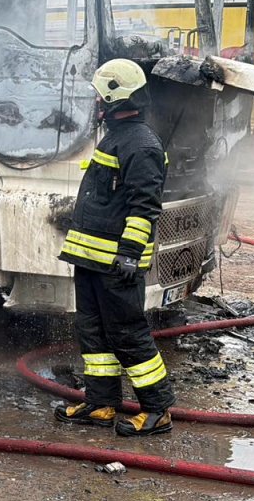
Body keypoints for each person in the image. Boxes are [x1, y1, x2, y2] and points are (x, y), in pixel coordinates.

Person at [54, 59, 175, 437]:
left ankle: (157, 409)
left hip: (115, 263)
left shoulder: (141, 144)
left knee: (127, 334)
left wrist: (128, 253)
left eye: (99, 96)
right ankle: (102, 402)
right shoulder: (118, 136)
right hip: (91, 259)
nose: (95, 103)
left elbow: (144, 206)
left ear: (114, 97)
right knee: (92, 331)